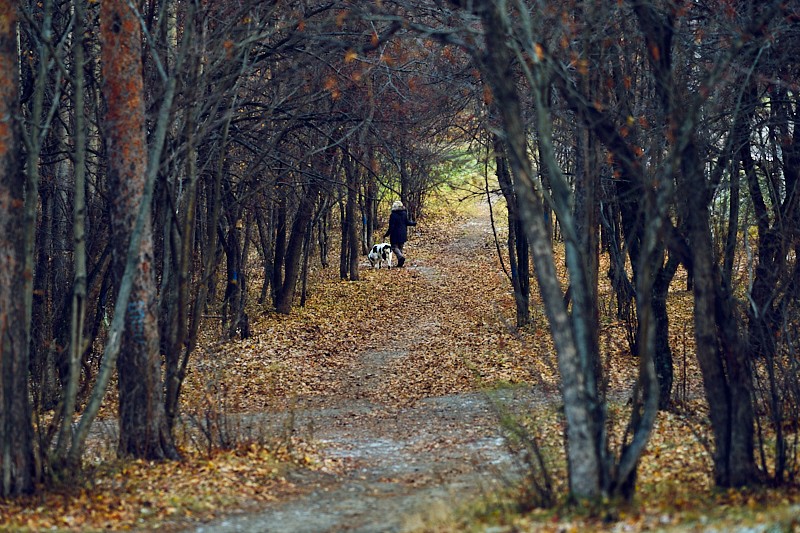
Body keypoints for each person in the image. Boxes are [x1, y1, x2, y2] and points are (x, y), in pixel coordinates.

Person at [384, 200, 416, 267]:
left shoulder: (393, 215)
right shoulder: (404, 213)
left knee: (394, 247)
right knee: (400, 247)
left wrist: (387, 234)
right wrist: (413, 223)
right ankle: (400, 263)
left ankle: (401, 258)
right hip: (403, 234)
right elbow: (407, 222)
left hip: (395, 234)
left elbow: (391, 227)